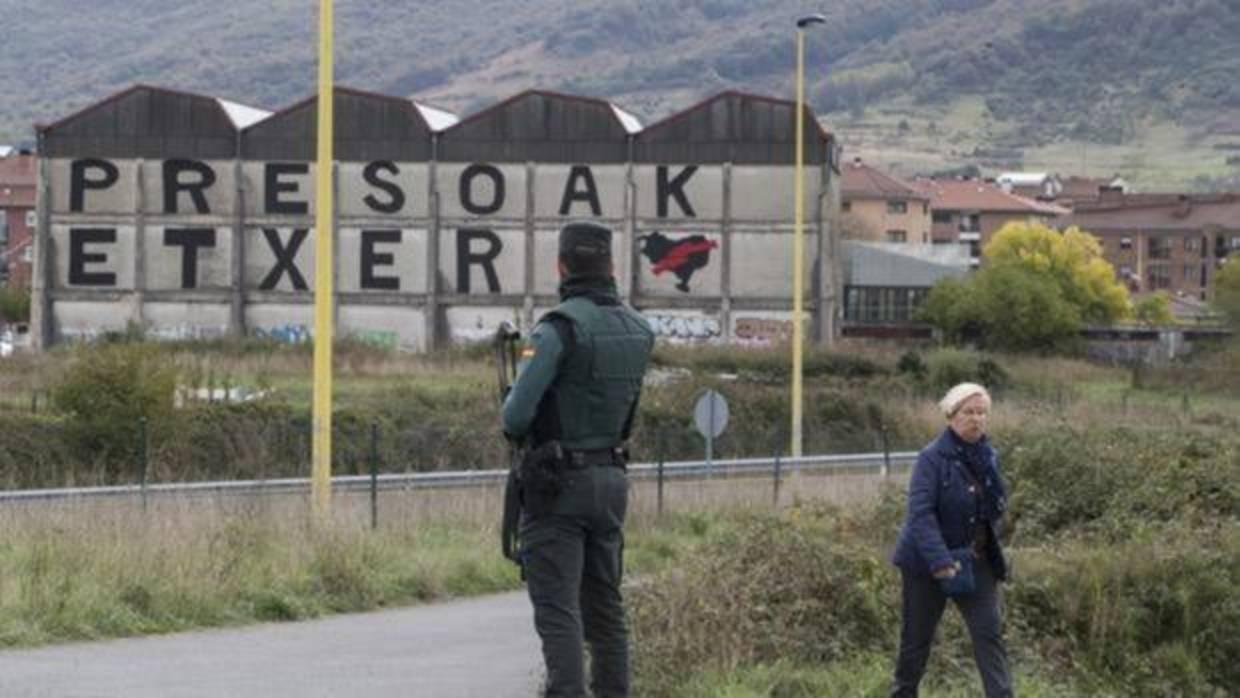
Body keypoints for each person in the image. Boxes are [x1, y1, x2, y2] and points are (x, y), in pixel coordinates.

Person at [501, 221, 655, 698]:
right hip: (611, 480)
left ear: (562, 266)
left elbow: (515, 416)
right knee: (605, 609)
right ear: (610, 265)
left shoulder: (557, 330)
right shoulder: (639, 331)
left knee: (558, 609)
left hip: (558, 488)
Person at [890, 382, 1012, 697]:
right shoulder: (931, 458)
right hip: (927, 565)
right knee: (916, 642)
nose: (977, 419)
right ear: (951, 416)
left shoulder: (988, 455)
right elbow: (920, 515)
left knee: (989, 635)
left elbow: (993, 508)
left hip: (975, 560)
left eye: (982, 412)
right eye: (969, 412)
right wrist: (941, 561)